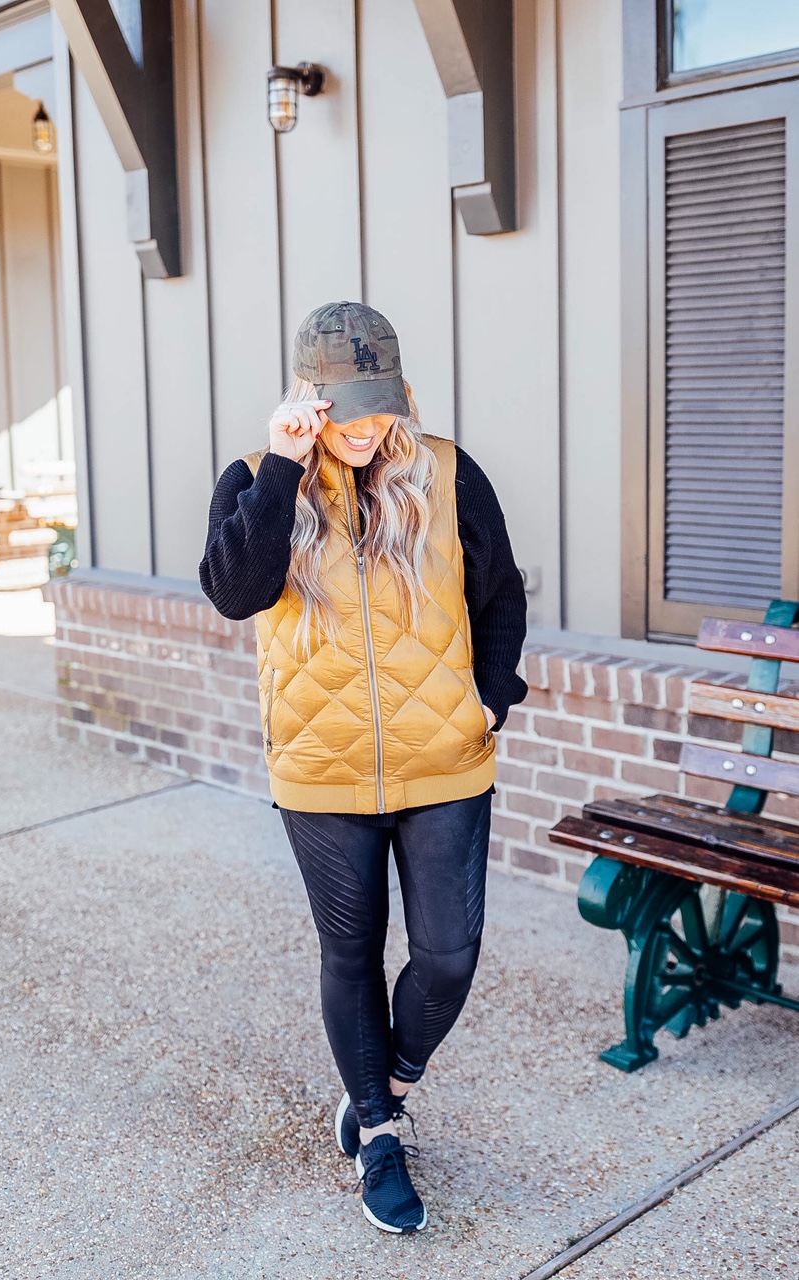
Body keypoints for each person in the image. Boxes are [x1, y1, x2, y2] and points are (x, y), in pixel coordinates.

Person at [199, 300, 528, 1234]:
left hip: (446, 762)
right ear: (310, 399)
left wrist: (487, 699)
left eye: (380, 405)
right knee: (350, 951)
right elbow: (234, 591)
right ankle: (379, 1134)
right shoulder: (259, 482)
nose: (367, 427)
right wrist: (282, 467)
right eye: (346, 408)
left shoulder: (450, 475)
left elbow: (500, 595)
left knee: (446, 956)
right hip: (319, 771)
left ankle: (384, 1079)